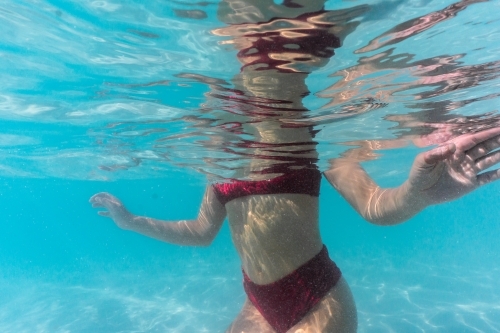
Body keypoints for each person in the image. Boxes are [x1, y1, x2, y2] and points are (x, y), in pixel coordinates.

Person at [90, 0, 500, 332]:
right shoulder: (222, 154)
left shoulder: (309, 141)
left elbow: (376, 205)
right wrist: (132, 221)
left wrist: (417, 196)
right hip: (258, 302)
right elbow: (200, 232)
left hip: (317, 300)